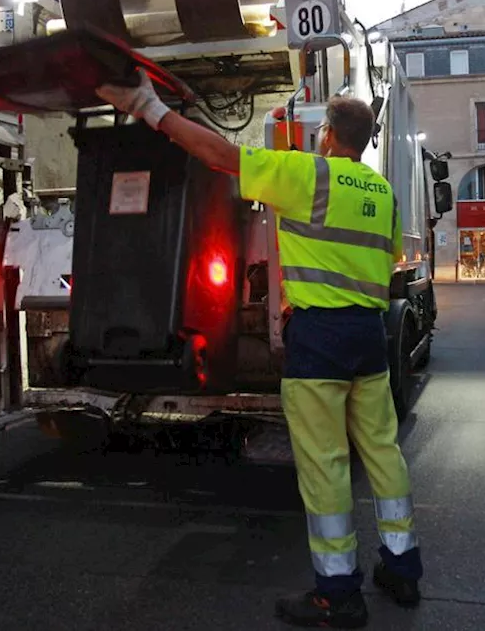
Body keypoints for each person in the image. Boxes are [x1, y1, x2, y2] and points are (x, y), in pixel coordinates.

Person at [95, 71, 423, 629]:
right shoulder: (385, 194)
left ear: (326, 136)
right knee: (383, 454)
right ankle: (401, 568)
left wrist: (152, 110)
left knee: (324, 467)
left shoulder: (306, 175)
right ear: (366, 140)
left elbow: (220, 155)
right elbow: (390, 258)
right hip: (367, 338)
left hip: (318, 341)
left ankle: (338, 594)